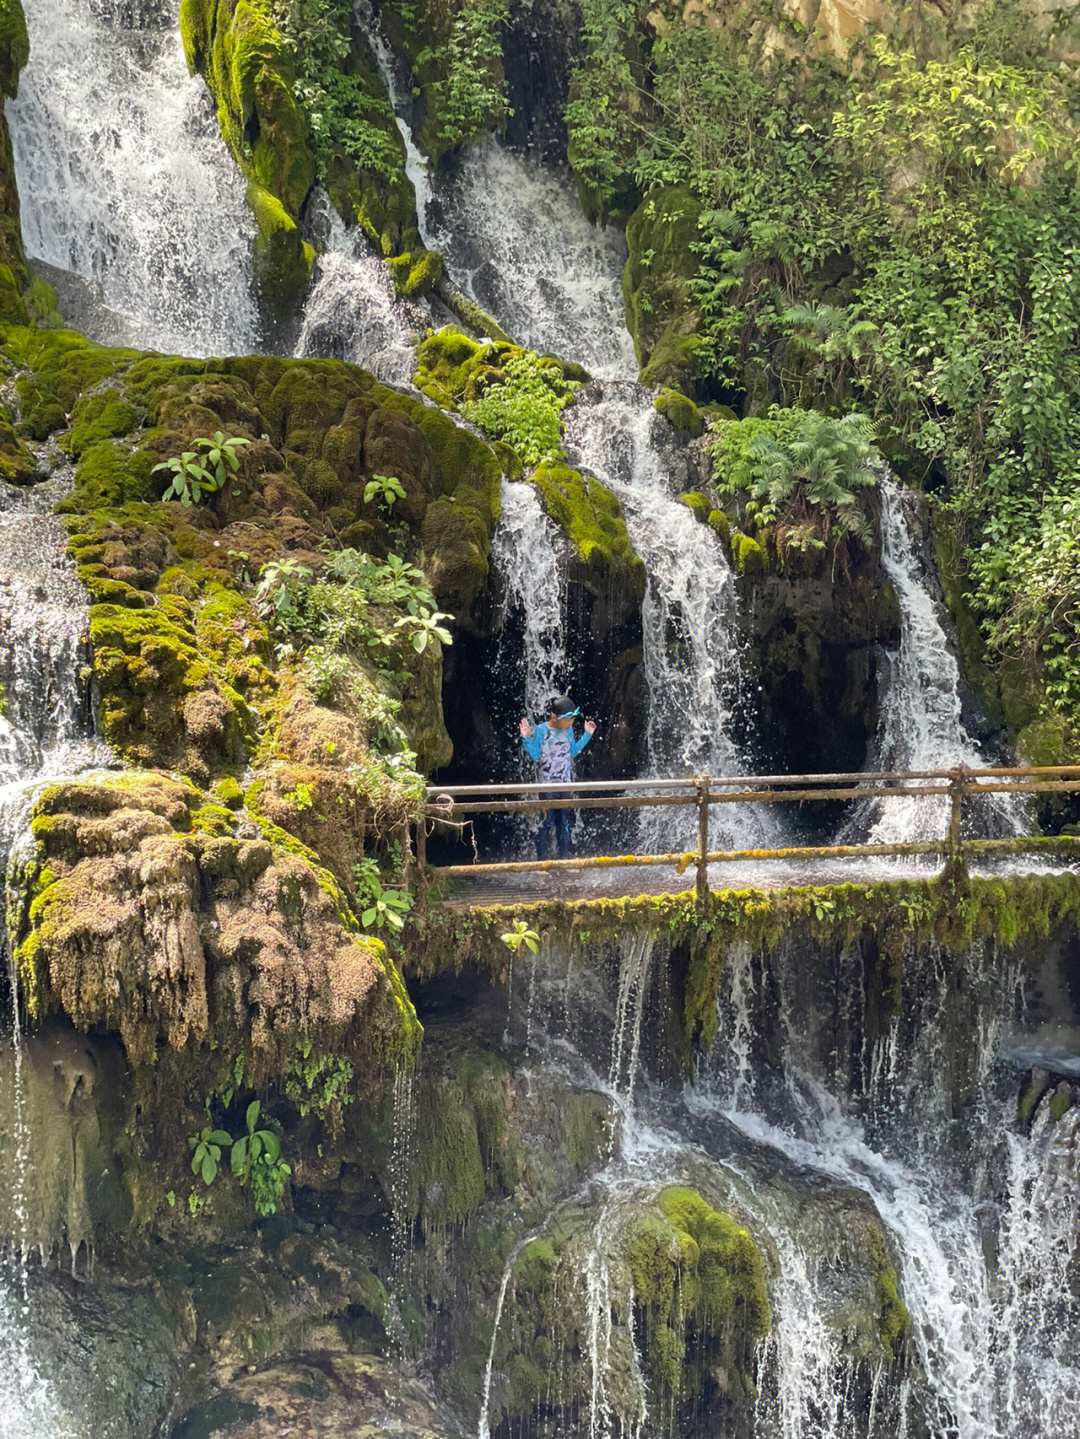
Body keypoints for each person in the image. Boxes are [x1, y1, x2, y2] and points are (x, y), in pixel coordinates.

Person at [519, 694, 597, 859]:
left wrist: (587, 735)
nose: (570, 723)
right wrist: (526, 738)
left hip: (565, 785)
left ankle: (565, 859)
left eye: (572, 719)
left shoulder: (568, 731)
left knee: (564, 823)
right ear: (554, 717)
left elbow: (573, 752)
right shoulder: (541, 730)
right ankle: (541, 862)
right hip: (547, 787)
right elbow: (535, 756)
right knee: (545, 824)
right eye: (567, 719)